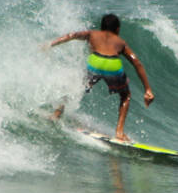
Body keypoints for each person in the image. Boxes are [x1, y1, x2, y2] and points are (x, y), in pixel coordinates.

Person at [49, 14, 154, 142]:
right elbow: (136, 62)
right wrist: (147, 89)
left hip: (95, 62)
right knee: (125, 95)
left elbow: (71, 36)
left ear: (102, 26)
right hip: (112, 66)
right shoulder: (120, 42)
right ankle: (119, 132)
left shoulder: (91, 34)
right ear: (117, 29)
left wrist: (50, 44)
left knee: (76, 88)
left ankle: (56, 114)